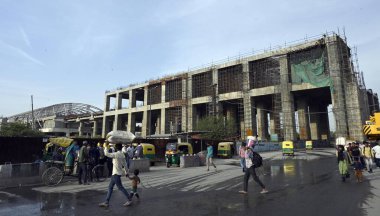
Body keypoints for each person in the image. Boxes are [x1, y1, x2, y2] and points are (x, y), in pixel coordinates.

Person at [99, 143, 132, 208]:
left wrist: (105, 146)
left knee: (120, 187)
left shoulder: (116, 154)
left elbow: (106, 154)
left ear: (116, 148)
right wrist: (126, 172)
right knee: (110, 187)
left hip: (116, 174)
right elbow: (125, 165)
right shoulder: (122, 154)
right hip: (117, 173)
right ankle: (106, 202)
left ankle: (129, 199)